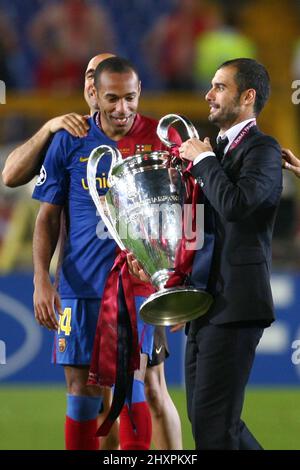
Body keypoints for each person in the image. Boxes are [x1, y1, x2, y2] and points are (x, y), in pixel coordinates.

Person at [2, 54, 182, 450]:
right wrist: (40, 280)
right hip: (78, 288)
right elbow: (46, 218)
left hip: (135, 288)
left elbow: (182, 215)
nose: (123, 109)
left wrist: (175, 283)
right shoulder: (69, 139)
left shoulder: (159, 139)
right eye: (113, 99)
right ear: (94, 95)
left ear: (140, 93)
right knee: (80, 392)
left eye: (131, 98)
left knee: (133, 385)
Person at [178, 58, 282, 449]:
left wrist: (204, 161)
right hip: (202, 303)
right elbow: (198, 225)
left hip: (237, 304)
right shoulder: (212, 151)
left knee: (214, 427)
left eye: (220, 86)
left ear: (248, 96)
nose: (209, 94)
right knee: (209, 423)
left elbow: (237, 205)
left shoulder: (264, 150)